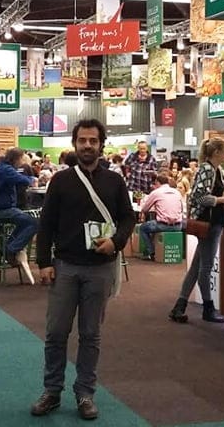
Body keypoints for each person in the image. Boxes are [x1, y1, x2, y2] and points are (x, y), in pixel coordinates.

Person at [31, 119, 135, 421]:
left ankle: (85, 393)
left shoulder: (115, 182)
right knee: (56, 333)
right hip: (64, 266)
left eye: (92, 140)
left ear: (101, 144)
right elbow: (47, 223)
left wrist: (116, 242)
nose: (87, 145)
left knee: (91, 335)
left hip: (100, 269)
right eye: (82, 140)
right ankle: (52, 391)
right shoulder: (61, 181)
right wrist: (44, 263)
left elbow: (128, 218)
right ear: (74, 143)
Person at [168, 139, 224, 323]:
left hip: (212, 222)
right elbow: (198, 197)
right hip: (209, 222)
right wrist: (220, 200)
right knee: (206, 267)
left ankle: (180, 306)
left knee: (196, 267)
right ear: (217, 152)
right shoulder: (207, 169)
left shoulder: (216, 170)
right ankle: (208, 308)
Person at [0, 148, 38, 277]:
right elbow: (23, 180)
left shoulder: (1, 168)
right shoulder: (6, 169)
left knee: (25, 221)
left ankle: (9, 247)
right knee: (33, 223)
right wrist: (33, 179)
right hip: (2, 210)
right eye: (21, 159)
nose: (22, 162)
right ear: (16, 158)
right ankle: (10, 249)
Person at [137, 171, 184, 262]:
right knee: (152, 225)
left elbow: (145, 209)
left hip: (163, 225)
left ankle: (152, 252)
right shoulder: (177, 192)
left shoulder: (156, 192)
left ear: (157, 183)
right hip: (178, 225)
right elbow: (181, 208)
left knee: (143, 228)